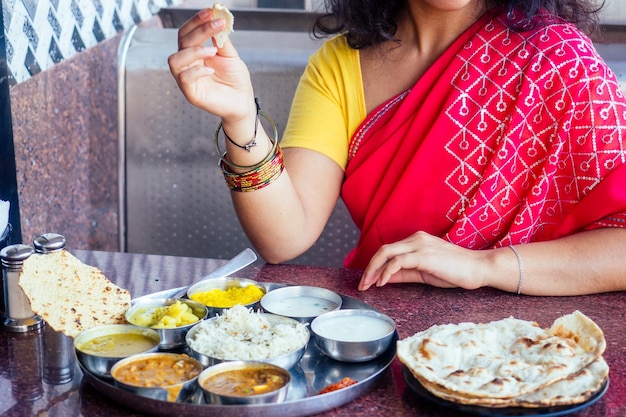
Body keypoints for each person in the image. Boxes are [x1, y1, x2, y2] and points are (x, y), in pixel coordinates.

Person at [168, 0, 626, 296]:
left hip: (539, 348)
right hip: (389, 340)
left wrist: (486, 266)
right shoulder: (339, 66)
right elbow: (285, 237)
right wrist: (240, 117)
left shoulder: (561, 62)